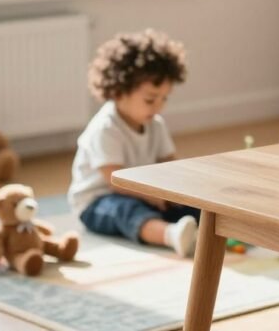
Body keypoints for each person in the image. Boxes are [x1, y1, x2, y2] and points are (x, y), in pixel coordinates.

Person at [68, 29, 200, 257]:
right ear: (119, 92)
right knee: (127, 211)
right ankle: (171, 235)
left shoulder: (155, 125)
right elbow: (116, 180)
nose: (158, 106)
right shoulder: (105, 128)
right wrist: (152, 196)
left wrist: (180, 192)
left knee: (191, 205)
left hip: (144, 193)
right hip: (100, 201)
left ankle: (208, 229)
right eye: (150, 99)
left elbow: (169, 163)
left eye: (164, 98)